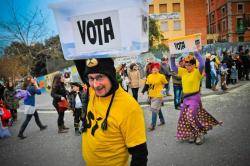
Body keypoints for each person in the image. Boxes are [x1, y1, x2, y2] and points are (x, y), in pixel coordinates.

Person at [80, 58, 148, 166]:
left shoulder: (129, 107)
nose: (95, 85)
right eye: (91, 78)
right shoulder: (92, 91)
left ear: (111, 76)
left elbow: (139, 154)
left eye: (100, 77)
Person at [170, 50, 222, 145]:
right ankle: (192, 133)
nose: (188, 66)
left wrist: (196, 53)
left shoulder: (197, 72)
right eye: (186, 64)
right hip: (185, 99)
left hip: (194, 98)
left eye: (190, 64)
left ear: (194, 65)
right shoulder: (183, 71)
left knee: (190, 115)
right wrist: (172, 56)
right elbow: (173, 67)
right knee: (184, 117)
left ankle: (200, 133)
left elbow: (202, 63)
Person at [142, 62, 167, 131]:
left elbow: (165, 83)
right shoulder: (149, 76)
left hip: (159, 95)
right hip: (151, 94)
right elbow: (147, 85)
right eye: (153, 69)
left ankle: (152, 125)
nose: (154, 70)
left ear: (158, 69)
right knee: (157, 108)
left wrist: (163, 90)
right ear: (151, 70)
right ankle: (162, 120)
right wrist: (143, 91)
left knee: (154, 109)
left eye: (156, 69)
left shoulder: (161, 76)